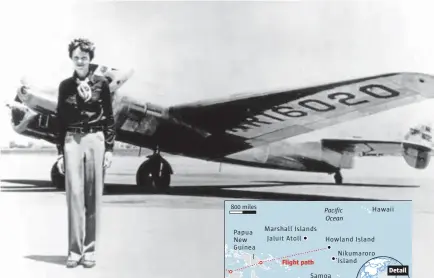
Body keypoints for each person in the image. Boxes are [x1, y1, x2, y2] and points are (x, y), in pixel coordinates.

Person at [55, 38, 115, 268]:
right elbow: (59, 121)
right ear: (71, 59)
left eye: (84, 58)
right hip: (72, 140)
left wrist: (109, 148)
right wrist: (60, 152)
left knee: (93, 197)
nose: (80, 61)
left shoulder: (102, 84)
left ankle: (89, 250)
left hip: (96, 140)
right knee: (74, 198)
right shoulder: (65, 87)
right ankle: (74, 251)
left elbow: (109, 117)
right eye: (76, 57)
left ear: (91, 59)